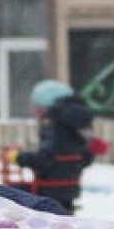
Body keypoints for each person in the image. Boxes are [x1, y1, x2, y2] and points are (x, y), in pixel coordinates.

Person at [14, 79, 97, 214]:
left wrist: (18, 157)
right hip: (68, 190)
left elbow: (42, 159)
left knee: (7, 192)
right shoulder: (77, 129)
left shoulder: (56, 130)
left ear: (46, 107)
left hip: (48, 190)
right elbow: (87, 157)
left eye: (36, 106)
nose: (33, 111)